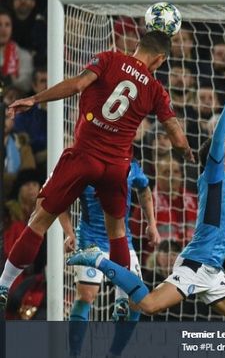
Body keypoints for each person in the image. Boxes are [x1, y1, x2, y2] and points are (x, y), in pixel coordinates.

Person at [67, 80, 225, 356]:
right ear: (217, 156)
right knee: (147, 304)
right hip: (194, 265)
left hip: (213, 269)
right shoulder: (214, 176)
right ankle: (96, 259)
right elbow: (219, 141)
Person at [0, 30, 192, 310]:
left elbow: (78, 85)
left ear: (138, 46)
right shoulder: (155, 89)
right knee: (117, 232)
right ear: (160, 59)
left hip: (84, 155)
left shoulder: (108, 59)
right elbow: (175, 135)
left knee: (39, 219)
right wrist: (187, 152)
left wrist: (35, 100)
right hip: (116, 167)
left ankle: (4, 284)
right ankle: (123, 297)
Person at [61, 159, 160, 357]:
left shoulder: (130, 165)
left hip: (123, 241)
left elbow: (144, 189)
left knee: (137, 300)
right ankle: (74, 353)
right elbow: (60, 199)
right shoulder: (83, 165)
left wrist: (152, 223)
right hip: (90, 240)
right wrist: (69, 232)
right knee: (87, 295)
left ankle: (114, 353)